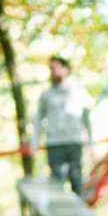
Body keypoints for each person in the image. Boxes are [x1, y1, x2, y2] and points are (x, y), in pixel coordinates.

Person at [32, 56, 93, 196]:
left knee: (76, 180)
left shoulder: (79, 92)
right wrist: (34, 142)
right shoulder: (46, 95)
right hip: (54, 144)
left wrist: (90, 141)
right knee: (56, 183)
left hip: (74, 142)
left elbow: (87, 118)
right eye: (50, 69)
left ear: (66, 70)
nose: (52, 72)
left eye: (54, 68)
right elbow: (38, 119)